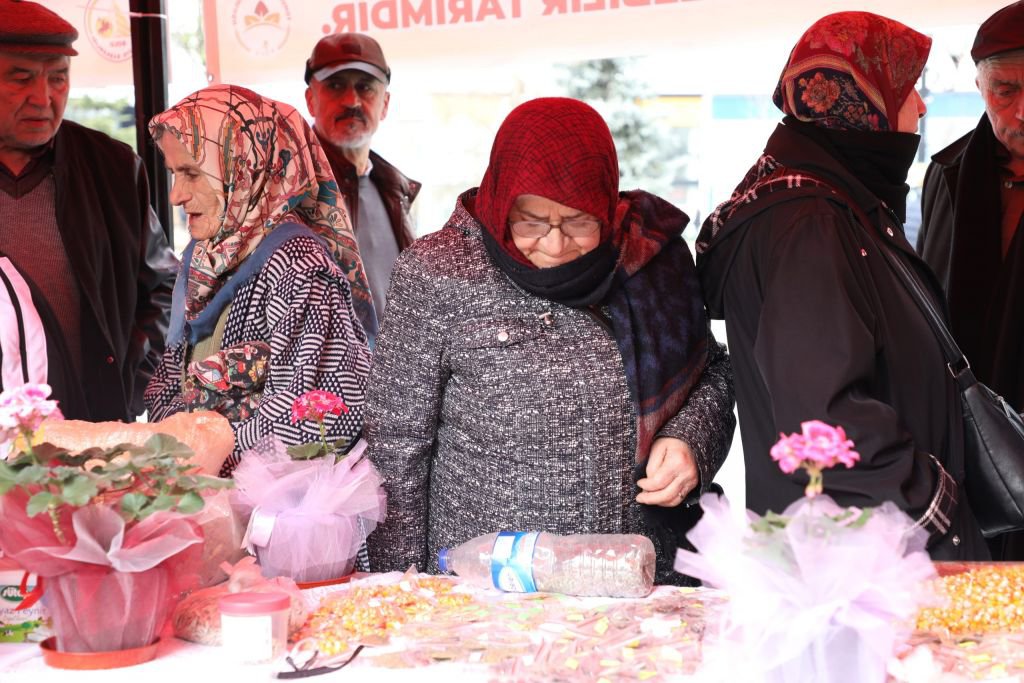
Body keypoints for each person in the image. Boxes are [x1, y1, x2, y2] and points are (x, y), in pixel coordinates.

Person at [365, 97, 736, 584]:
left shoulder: (650, 259)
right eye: (532, 221)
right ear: (502, 201)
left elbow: (713, 371)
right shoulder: (438, 272)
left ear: (606, 206)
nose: (556, 244)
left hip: (636, 579)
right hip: (493, 587)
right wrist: (403, 587)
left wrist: (689, 440)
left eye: (580, 221)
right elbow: (396, 446)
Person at [696, 12, 987, 560]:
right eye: (906, 89)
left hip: (866, 547)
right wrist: (935, 505)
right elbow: (825, 417)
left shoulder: (833, 205)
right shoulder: (810, 224)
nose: (922, 106)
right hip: (870, 558)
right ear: (864, 105)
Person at [143, 85, 373, 477]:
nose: (176, 196)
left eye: (192, 174)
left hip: (270, 504)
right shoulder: (202, 258)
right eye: (173, 173)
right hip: (205, 492)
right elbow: (167, 384)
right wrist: (178, 449)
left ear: (245, 168)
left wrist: (207, 452)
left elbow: (315, 415)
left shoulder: (298, 265)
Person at [0, 0, 177, 421]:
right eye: (21, 78)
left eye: (58, 78)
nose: (43, 98)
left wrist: (133, 388)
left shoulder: (112, 168)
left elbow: (162, 288)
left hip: (97, 427)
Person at [916, 1, 1024, 560]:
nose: (1023, 110)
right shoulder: (949, 173)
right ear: (980, 87)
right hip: (966, 437)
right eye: (1006, 90)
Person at [304, 32, 419, 327]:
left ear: (385, 104)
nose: (351, 100)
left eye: (365, 87)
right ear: (310, 100)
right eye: (335, 85)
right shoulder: (289, 191)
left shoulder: (397, 191)